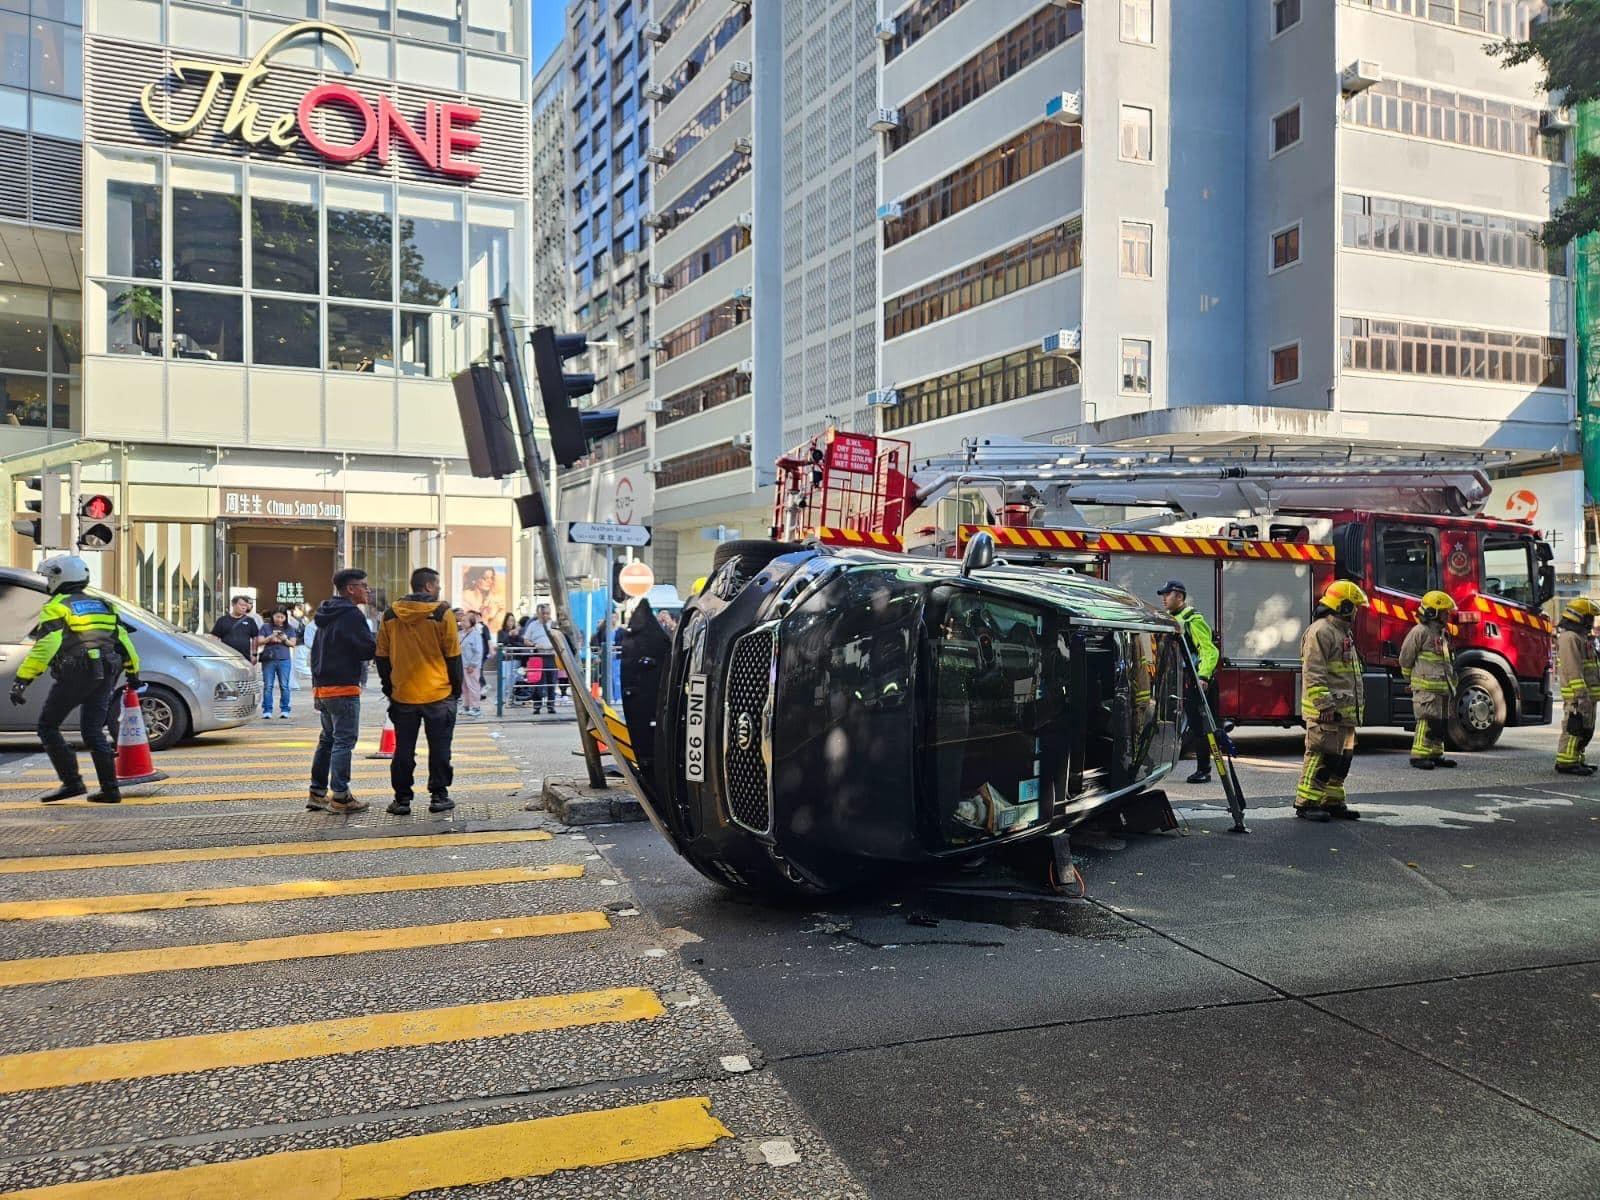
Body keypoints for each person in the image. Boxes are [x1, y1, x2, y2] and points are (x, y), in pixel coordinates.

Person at [10, 555, 140, 804]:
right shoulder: (104, 605)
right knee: (93, 731)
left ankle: (72, 782)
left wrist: (22, 680)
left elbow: (46, 646)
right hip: (107, 672)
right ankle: (110, 790)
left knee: (47, 727)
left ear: (60, 577)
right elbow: (123, 641)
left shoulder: (57, 606)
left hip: (76, 673)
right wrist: (133, 673)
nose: (48, 581)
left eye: (50, 577)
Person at [376, 566, 462, 815]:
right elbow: (453, 656)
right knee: (440, 748)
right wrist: (455, 691)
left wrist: (390, 687)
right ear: (428, 586)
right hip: (439, 694)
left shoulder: (391, 614)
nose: (439, 589)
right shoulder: (442, 613)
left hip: (403, 695)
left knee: (403, 749)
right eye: (437, 585)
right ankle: (439, 796)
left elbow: (381, 656)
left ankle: (402, 800)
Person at [1296, 580, 1369, 823]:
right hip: (1328, 712)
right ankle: (1307, 802)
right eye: (1355, 607)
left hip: (1344, 712)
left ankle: (1332, 800)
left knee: (1341, 760)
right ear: (1344, 606)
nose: (1357, 612)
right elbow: (1314, 672)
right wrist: (1324, 704)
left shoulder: (1341, 632)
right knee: (1322, 756)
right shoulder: (1321, 631)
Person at [308, 569, 377, 814]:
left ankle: (317, 793)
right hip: (343, 687)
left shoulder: (326, 614)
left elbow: (315, 651)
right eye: (364, 586)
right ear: (350, 589)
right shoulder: (351, 615)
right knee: (344, 741)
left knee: (327, 740)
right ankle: (341, 796)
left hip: (323, 687)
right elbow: (367, 649)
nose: (367, 590)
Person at [1156, 581, 1219, 785]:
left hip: (1197, 681)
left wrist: (1203, 677)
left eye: (1168, 594)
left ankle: (1204, 770)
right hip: (1183, 680)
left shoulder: (1193, 620)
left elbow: (1209, 651)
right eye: (1163, 595)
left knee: (1199, 726)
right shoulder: (1173, 619)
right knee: (1189, 724)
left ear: (1180, 597)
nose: (1164, 598)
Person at [1400, 591, 1458, 770]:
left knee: (1439, 723)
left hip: (1442, 688)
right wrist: (1412, 679)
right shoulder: (1419, 632)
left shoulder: (1442, 634)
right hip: (1426, 688)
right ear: (1433, 612)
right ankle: (1418, 755)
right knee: (1426, 720)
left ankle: (1435, 754)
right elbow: (1405, 658)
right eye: (1444, 612)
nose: (1448, 615)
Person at [1554, 597, 1600, 775]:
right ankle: (1566, 763)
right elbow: (1573, 669)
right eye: (1589, 617)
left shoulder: (1581, 637)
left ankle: (1577, 759)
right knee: (1574, 728)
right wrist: (1581, 694)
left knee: (1584, 728)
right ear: (1579, 616)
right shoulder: (1569, 638)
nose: (1591, 621)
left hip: (1588, 694)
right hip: (1577, 695)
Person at [257, 608, 298, 719]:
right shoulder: (265, 627)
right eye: (277, 617)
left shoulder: (289, 628)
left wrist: (284, 639)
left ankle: (285, 709)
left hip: (284, 659)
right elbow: (259, 641)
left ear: (285, 617)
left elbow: (293, 644)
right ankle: (267, 710)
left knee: (284, 685)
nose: (279, 619)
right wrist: (270, 637)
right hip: (268, 659)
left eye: (282, 617)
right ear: (272, 617)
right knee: (268, 685)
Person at [522, 603, 556, 714]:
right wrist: (533, 645)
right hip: (538, 655)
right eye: (543, 613)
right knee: (538, 681)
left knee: (551, 681)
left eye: (548, 613)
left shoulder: (553, 625)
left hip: (550, 655)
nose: (546, 616)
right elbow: (526, 639)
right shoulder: (533, 625)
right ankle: (537, 705)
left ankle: (551, 705)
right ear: (538, 613)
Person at [210, 595, 259, 663]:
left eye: (245, 605)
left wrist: (254, 654)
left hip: (244, 657)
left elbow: (255, 638)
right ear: (233, 604)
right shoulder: (222, 620)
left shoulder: (250, 621)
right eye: (241, 604)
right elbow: (214, 638)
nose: (244, 607)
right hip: (226, 657)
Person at [458, 609, 485, 717]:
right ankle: (466, 706)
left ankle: (476, 707)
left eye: (465, 621)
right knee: (464, 687)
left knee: (473, 686)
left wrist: (472, 664)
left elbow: (478, 652)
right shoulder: (460, 633)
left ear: (471, 622)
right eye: (462, 620)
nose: (462, 622)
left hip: (471, 666)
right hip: (462, 664)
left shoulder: (475, 635)